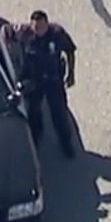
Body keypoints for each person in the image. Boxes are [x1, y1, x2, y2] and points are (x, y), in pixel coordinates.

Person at [16, 10, 78, 158]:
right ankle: (36, 140)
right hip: (35, 80)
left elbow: (70, 50)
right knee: (33, 112)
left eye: (41, 27)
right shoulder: (25, 35)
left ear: (47, 24)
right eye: (35, 27)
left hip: (53, 80)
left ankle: (65, 143)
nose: (38, 30)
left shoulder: (57, 34)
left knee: (59, 113)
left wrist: (71, 74)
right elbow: (11, 39)